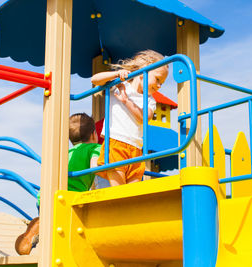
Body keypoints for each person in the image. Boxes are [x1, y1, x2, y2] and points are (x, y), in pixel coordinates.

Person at [15, 113, 101, 255]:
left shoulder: (66, 152)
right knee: (72, 231)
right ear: (93, 134)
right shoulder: (93, 148)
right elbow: (95, 166)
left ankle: (36, 229)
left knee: (54, 230)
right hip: (69, 197)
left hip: (45, 196)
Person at [91, 50, 168, 186]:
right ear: (144, 69)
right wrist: (116, 74)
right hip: (116, 143)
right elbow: (95, 79)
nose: (159, 85)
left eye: (162, 83)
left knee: (131, 194)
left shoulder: (150, 100)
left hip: (137, 149)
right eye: (157, 79)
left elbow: (145, 118)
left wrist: (126, 101)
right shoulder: (120, 85)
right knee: (119, 190)